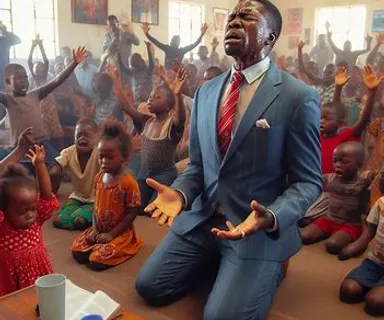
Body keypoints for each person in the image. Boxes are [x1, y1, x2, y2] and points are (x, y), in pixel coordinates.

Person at [134, 1, 322, 319]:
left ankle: (271, 266)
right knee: (149, 287)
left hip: (254, 227)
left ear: (270, 36)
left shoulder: (297, 97)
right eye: (231, 16)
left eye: (246, 16)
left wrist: (273, 215)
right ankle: (220, 261)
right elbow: (197, 165)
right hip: (204, 217)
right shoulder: (207, 92)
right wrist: (179, 193)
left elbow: (309, 182)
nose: (233, 21)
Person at [108, 65, 187, 211]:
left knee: (154, 209)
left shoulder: (172, 125)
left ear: (169, 105)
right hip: (144, 174)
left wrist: (177, 95)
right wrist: (115, 80)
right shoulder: (145, 122)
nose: (151, 100)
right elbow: (126, 106)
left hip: (165, 177)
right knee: (135, 207)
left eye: (157, 97)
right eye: (150, 97)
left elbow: (181, 118)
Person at [71, 119, 143, 271]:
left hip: (119, 232)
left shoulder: (129, 182)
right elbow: (96, 207)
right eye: (101, 156)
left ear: (123, 158)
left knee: (97, 260)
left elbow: (132, 213)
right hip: (100, 229)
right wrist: (95, 230)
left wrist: (111, 234)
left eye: (110, 157)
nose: (104, 161)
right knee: (77, 250)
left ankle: (126, 245)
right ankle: (97, 243)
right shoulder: (99, 177)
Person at [0, 47, 88, 163]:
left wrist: (74, 63)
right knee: (22, 173)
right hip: (20, 148)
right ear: (8, 82)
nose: (23, 81)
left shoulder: (35, 94)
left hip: (41, 144)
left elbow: (57, 81)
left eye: (25, 77)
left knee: (57, 166)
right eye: (18, 78)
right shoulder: (8, 99)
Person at [0, 145, 60, 297]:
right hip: (9, 280)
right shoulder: (2, 224)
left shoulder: (37, 219)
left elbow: (47, 196)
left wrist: (39, 165)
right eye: (22, 211)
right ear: (4, 209)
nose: (30, 215)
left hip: (37, 275)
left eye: (33, 208)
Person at [300, 141, 375, 254]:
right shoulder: (331, 178)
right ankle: (326, 233)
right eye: (335, 161)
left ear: (359, 164)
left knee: (332, 245)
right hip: (328, 219)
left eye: (344, 162)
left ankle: (355, 239)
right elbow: (313, 179)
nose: (338, 165)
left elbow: (377, 177)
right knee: (304, 236)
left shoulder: (363, 179)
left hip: (350, 224)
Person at [319, 65, 382, 174]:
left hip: (337, 187)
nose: (321, 121)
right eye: (320, 118)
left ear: (340, 123)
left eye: (326, 119)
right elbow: (335, 110)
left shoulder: (345, 136)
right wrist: (338, 87)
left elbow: (363, 120)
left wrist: (371, 92)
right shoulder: (316, 135)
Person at [339, 167, 384, 316]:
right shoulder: (381, 204)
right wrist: (354, 246)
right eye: (382, 173)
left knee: (374, 302)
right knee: (348, 291)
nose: (381, 178)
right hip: (376, 261)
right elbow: (369, 231)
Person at [50, 119, 99, 231]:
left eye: (87, 135)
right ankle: (76, 219)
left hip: (96, 199)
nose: (82, 138)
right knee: (58, 220)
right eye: (79, 135)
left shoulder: (100, 153)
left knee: (79, 220)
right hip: (77, 197)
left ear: (97, 138)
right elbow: (56, 165)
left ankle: (82, 219)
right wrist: (55, 171)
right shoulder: (69, 152)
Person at [27, 35, 64, 152]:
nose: (37, 69)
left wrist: (41, 46)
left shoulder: (44, 78)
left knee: (56, 131)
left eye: (40, 67)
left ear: (44, 69)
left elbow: (46, 61)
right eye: (36, 67)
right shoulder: (33, 79)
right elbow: (29, 61)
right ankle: (44, 153)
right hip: (39, 108)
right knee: (43, 134)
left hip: (49, 106)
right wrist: (33, 46)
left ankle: (61, 152)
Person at [142, 22, 208, 68]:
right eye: (173, 40)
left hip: (175, 75)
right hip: (169, 74)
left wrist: (202, 34)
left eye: (175, 41)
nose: (173, 42)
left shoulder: (173, 49)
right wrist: (147, 34)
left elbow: (194, 44)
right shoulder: (172, 49)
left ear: (178, 43)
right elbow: (156, 42)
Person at [118, 41, 155, 105]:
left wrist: (148, 49)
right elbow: (122, 68)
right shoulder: (134, 71)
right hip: (137, 98)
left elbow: (152, 64)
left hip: (148, 98)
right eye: (132, 66)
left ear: (140, 61)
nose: (133, 67)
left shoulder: (147, 70)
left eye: (135, 65)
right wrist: (118, 53)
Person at [0, 21, 20, 91]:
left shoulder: (4, 40)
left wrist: (4, 31)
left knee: (4, 97)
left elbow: (18, 40)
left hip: (3, 75)